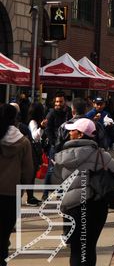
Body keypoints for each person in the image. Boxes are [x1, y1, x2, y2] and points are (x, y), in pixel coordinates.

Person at [53, 117, 114, 266]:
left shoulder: (63, 157)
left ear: (81, 134)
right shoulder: (102, 156)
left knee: (77, 249)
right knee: (90, 247)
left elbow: (55, 181)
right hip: (97, 206)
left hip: (74, 208)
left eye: (73, 131)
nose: (70, 133)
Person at [0, 103, 34, 266]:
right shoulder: (23, 141)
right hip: (11, 195)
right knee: (4, 235)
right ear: (16, 118)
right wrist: (26, 189)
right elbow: (28, 171)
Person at [42, 92, 72, 188]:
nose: (58, 104)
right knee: (51, 169)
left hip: (66, 145)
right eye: (57, 101)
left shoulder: (69, 112)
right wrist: (53, 143)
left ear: (65, 102)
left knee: (66, 170)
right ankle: (45, 193)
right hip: (54, 146)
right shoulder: (51, 113)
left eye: (60, 101)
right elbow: (48, 130)